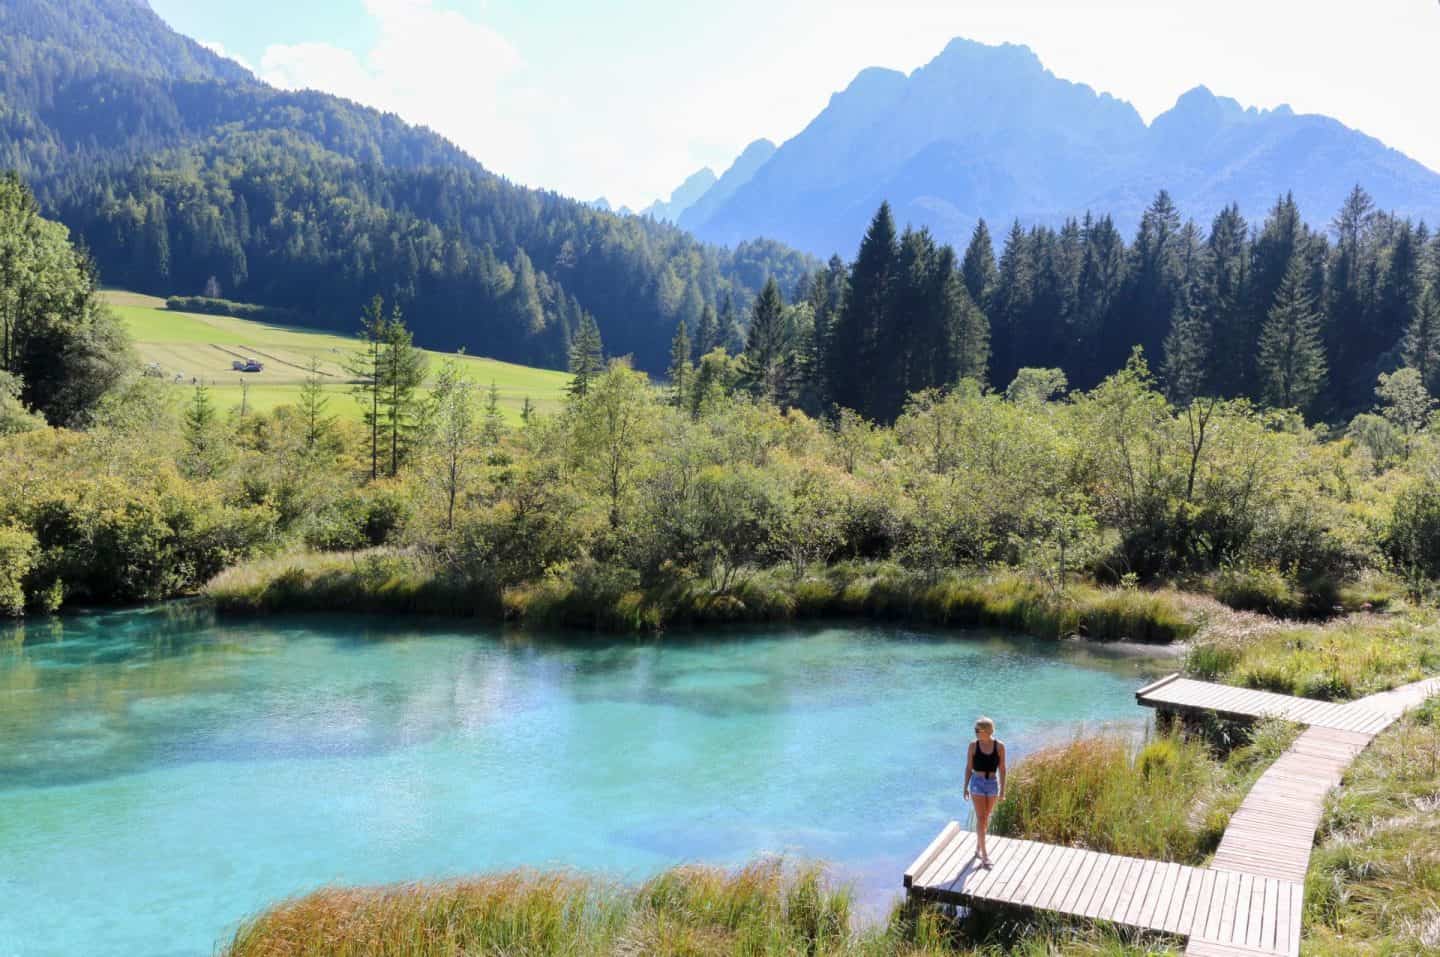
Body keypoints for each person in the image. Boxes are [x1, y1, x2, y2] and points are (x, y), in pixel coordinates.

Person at [963, 715, 1006, 867]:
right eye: (975, 730)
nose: (975, 732)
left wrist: (1002, 790)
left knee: (986, 817)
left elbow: (1002, 769)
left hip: (992, 784)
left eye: (977, 730)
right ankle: (985, 856)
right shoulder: (973, 746)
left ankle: (978, 847)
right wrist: (965, 787)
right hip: (977, 784)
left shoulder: (999, 746)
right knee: (981, 818)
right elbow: (968, 768)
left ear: (987, 731)